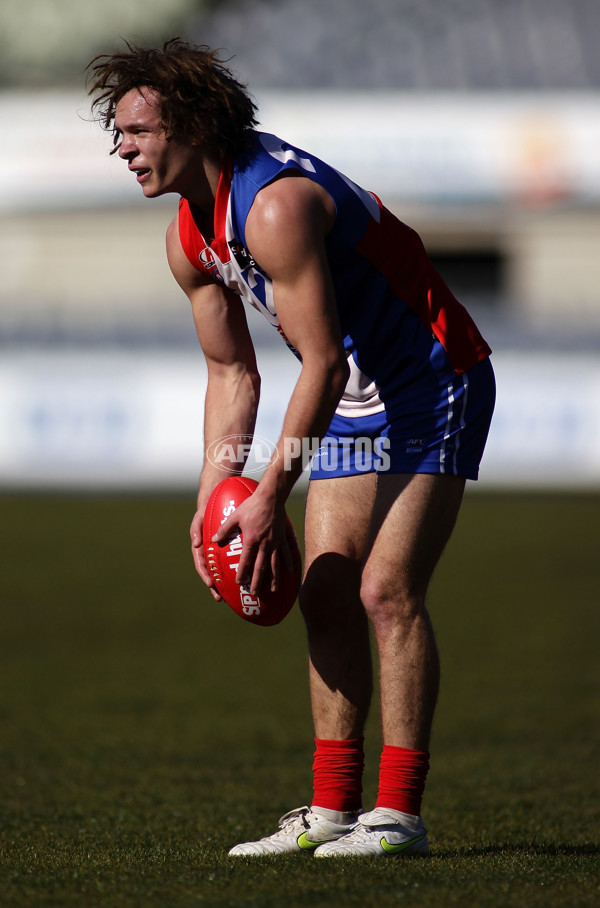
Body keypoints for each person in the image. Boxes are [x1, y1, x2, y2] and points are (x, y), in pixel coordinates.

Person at [88, 39, 495, 858]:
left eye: (136, 130)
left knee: (386, 590)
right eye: (117, 133)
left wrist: (271, 489)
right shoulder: (187, 239)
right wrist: (215, 496)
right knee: (327, 591)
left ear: (195, 124)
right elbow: (232, 373)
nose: (121, 148)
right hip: (351, 404)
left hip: (430, 380)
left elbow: (321, 358)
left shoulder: (275, 206)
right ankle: (330, 809)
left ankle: (399, 816)